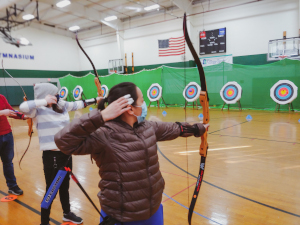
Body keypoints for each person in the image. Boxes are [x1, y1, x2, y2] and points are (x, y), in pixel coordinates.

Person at [54, 82, 209, 225]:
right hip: (121, 216)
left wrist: (198, 128)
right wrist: (100, 116)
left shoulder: (147, 127)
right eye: (141, 101)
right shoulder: (104, 134)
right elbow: (63, 141)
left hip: (153, 209)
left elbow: (175, 128)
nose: (144, 105)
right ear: (130, 108)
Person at [19, 83, 101, 225]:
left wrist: (96, 100)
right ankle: (44, 222)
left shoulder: (61, 105)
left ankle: (67, 213)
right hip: (52, 157)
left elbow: (78, 104)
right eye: (54, 94)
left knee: (65, 186)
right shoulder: (36, 110)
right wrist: (44, 102)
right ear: (47, 96)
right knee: (51, 190)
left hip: (66, 154)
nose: (58, 96)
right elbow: (22, 107)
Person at [0, 94, 27, 196]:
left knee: (8, 163)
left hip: (7, 134)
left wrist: (24, 116)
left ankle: (12, 186)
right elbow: (5, 112)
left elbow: (11, 111)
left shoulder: (1, 97)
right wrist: (2, 112)